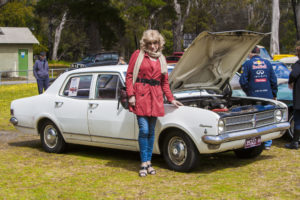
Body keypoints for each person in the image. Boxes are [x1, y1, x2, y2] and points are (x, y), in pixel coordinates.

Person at [126, 30, 183, 177]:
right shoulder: (137, 55)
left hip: (156, 97)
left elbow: (165, 83)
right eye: (150, 43)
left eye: (155, 43)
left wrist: (171, 99)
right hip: (141, 96)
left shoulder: (162, 59)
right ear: (145, 44)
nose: (153, 46)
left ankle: (149, 162)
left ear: (159, 44)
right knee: (144, 130)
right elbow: (130, 75)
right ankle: (143, 163)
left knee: (151, 132)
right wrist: (131, 95)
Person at [239, 46, 278, 150]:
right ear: (259, 53)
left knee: (255, 119)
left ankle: (256, 142)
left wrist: (249, 92)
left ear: (250, 53)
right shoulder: (268, 63)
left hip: (254, 96)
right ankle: (268, 143)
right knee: (267, 119)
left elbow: (242, 81)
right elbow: (274, 80)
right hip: (268, 96)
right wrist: (274, 94)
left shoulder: (247, 64)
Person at [285, 42, 300, 150]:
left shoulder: (298, 64)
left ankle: (295, 142)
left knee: (298, 119)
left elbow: (293, 74)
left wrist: (290, 82)